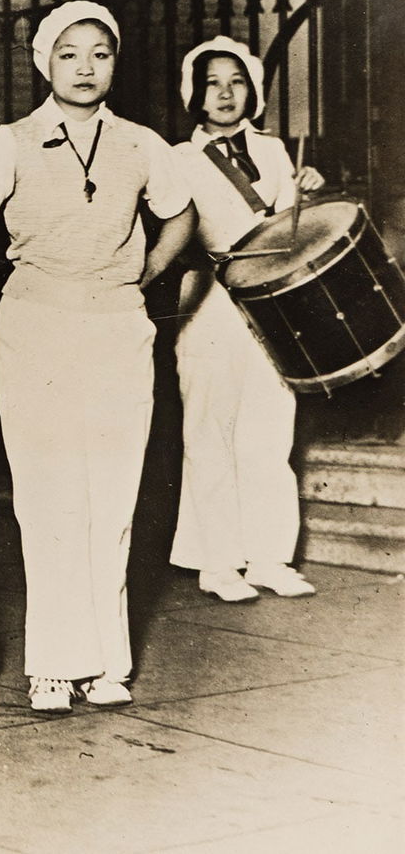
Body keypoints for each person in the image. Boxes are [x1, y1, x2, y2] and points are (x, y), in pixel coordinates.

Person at [0, 2, 195, 712]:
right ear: (44, 62)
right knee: (49, 493)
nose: (85, 67)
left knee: (111, 494)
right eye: (70, 53)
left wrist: (146, 276)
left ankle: (108, 660)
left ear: (116, 63)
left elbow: (179, 212)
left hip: (116, 327)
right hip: (37, 325)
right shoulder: (12, 140)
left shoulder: (143, 143)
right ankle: (52, 663)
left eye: (100, 54)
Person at [168, 37, 323, 602]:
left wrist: (305, 192)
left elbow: (292, 230)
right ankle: (217, 563)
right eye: (213, 82)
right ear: (195, 94)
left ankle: (269, 557)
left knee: (271, 430)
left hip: (271, 312)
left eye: (236, 81)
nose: (225, 93)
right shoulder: (178, 160)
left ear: (252, 90)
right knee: (210, 433)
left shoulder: (276, 151)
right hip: (208, 308)